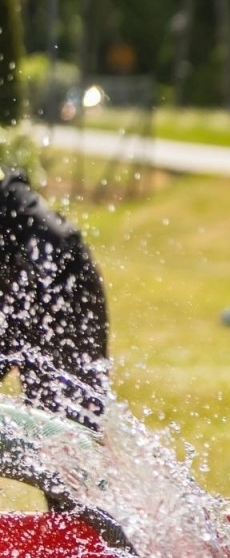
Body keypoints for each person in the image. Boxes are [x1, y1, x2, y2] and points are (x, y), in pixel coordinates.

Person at [1, 169, 111, 494]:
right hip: (46, 258)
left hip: (53, 266)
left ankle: (100, 537)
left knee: (72, 457)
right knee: (72, 457)